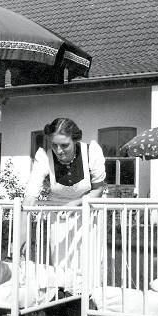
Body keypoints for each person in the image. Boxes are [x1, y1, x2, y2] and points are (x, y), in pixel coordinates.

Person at [21, 118, 106, 289]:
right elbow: (29, 199)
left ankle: (90, 301)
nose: (59, 151)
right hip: (59, 216)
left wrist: (77, 203)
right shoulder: (44, 157)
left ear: (75, 140)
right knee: (62, 267)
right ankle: (65, 299)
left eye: (65, 145)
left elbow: (98, 189)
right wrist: (20, 239)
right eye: (54, 145)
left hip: (89, 212)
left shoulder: (91, 152)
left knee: (89, 264)